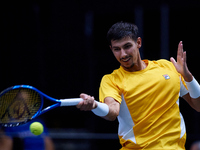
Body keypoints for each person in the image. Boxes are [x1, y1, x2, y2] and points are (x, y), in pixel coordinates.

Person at [76, 22, 200, 150]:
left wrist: (188, 77)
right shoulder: (111, 80)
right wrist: (95, 106)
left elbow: (198, 105)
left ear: (139, 42)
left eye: (127, 46)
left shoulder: (167, 67)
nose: (123, 54)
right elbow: (112, 111)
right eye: (117, 49)